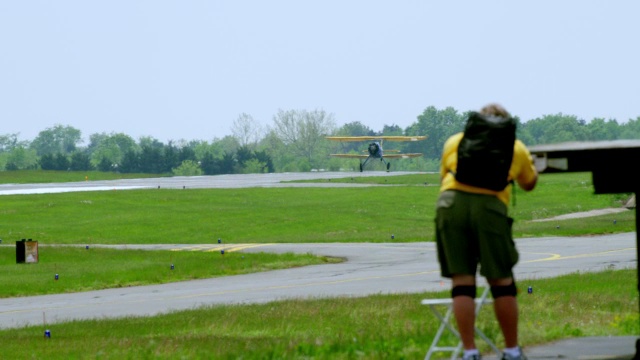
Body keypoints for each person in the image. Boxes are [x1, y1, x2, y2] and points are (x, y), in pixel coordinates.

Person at [434, 103, 538, 360]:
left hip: (450, 204)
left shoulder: (455, 142)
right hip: (489, 208)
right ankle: (512, 351)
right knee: (501, 281)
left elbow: (444, 179)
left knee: (462, 282)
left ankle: (470, 352)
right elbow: (529, 184)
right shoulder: (515, 147)